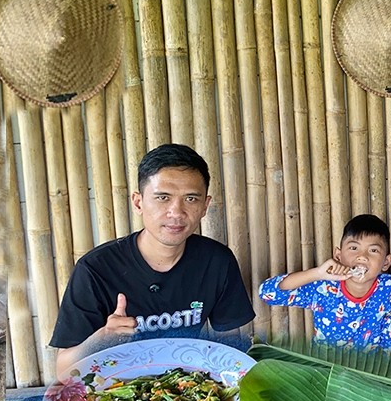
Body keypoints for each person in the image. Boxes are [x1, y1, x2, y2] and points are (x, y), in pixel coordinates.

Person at [49, 144, 255, 376]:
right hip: (117, 391)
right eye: (163, 197)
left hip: (190, 387)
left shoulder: (217, 261)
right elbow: (63, 371)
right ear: (138, 202)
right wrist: (103, 338)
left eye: (190, 199)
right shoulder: (95, 269)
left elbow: (229, 346)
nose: (176, 212)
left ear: (205, 206)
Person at [258, 214, 391, 352]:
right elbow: (267, 293)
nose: (362, 256)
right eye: (353, 248)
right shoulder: (324, 287)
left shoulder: (389, 288)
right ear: (338, 255)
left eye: (373, 250)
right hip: (325, 370)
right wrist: (317, 273)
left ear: (386, 262)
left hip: (366, 372)